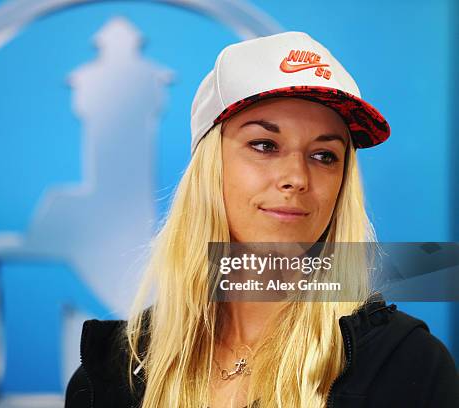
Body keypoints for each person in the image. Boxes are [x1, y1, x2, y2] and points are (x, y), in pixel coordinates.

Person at [65, 31, 458, 408]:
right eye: (264, 145)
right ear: (209, 166)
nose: (297, 179)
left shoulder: (406, 366)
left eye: (324, 155)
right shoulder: (112, 372)